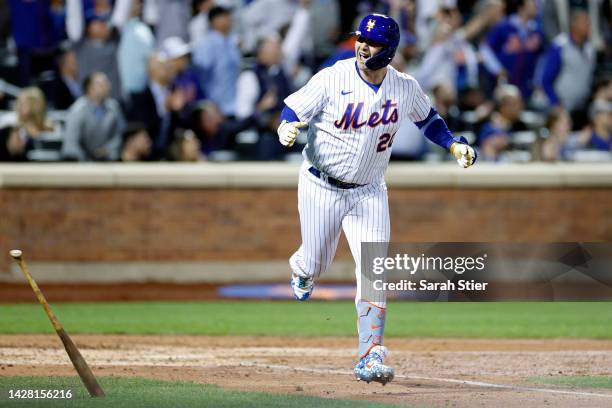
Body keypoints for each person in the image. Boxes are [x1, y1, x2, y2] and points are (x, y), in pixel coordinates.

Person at [276, 14, 476, 385]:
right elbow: (293, 109)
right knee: (316, 262)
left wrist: (453, 143)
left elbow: (428, 119)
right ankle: (302, 268)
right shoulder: (333, 77)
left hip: (369, 191)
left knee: (373, 272)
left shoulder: (403, 87)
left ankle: (370, 354)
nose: (363, 46)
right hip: (322, 185)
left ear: (389, 51)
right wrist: (286, 125)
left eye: (372, 43)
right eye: (360, 39)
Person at [62, 72, 125, 161]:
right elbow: (71, 143)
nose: (106, 86)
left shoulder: (114, 107)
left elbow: (119, 135)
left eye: (106, 83)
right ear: (89, 89)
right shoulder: (77, 110)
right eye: (100, 84)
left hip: (109, 160)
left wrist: (108, 150)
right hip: (83, 162)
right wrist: (85, 161)